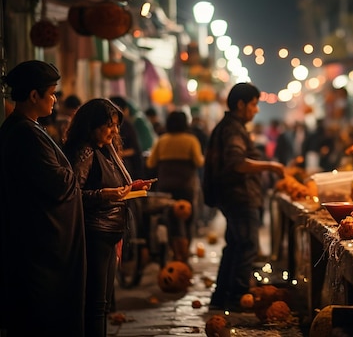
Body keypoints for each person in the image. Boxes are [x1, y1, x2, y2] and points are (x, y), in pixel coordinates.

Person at [0, 60, 87, 336]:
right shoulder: (24, 133)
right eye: (51, 93)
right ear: (34, 95)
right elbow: (59, 181)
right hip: (39, 247)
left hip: (45, 244)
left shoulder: (32, 128)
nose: (55, 99)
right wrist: (76, 167)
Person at [63, 98, 151, 337]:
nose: (114, 131)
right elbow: (72, 195)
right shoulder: (85, 151)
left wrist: (133, 188)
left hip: (110, 232)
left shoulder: (107, 149)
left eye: (116, 125)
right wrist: (104, 195)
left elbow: (114, 184)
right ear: (92, 125)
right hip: (95, 233)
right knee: (96, 304)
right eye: (109, 125)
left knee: (102, 303)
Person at [203, 82, 285, 310]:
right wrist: (270, 166)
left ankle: (221, 296)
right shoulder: (232, 129)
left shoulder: (229, 126)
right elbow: (237, 163)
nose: (256, 110)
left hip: (234, 196)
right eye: (253, 104)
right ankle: (237, 295)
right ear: (241, 105)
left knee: (235, 244)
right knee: (247, 245)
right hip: (239, 196)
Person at [146, 110, 205, 262]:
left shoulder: (162, 140)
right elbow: (199, 162)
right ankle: (184, 254)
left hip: (165, 187)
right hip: (186, 187)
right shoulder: (190, 140)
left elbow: (150, 162)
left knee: (170, 218)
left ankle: (171, 249)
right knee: (187, 219)